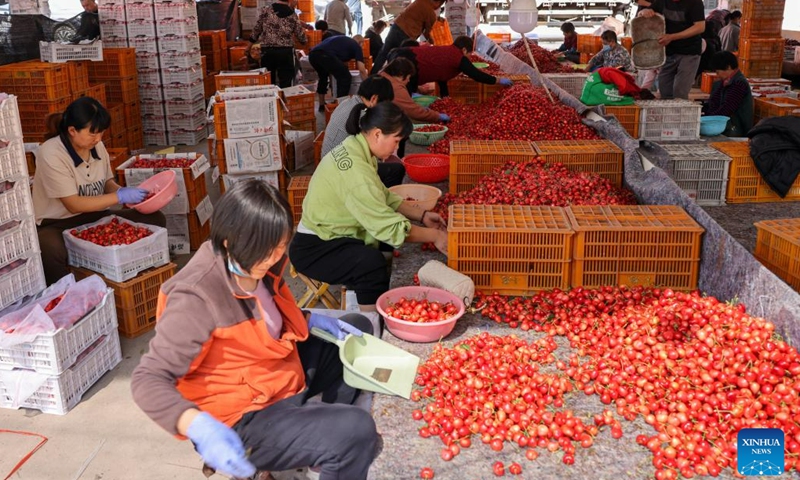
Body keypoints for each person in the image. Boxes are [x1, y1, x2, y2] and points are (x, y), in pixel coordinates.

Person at [131, 179, 379, 480]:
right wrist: (196, 425)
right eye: (268, 250)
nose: (276, 257)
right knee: (356, 431)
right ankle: (324, 444)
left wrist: (308, 319)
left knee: (356, 331)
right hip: (243, 414)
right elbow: (148, 379)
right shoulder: (196, 296)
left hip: (274, 373)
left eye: (281, 246)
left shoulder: (259, 261)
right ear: (229, 242)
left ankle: (316, 443)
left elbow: (265, 313)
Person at [289, 102, 448, 312]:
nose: (397, 149)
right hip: (315, 248)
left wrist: (423, 214)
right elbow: (389, 228)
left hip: (333, 234)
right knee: (370, 265)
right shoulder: (356, 172)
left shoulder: (357, 148)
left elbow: (382, 195)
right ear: (378, 134)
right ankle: (369, 325)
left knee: (381, 248)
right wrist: (435, 236)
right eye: (396, 141)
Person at [33, 97, 166, 286]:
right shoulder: (51, 153)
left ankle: (141, 276)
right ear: (72, 131)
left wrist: (124, 193)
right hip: (58, 224)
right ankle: (68, 296)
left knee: (155, 219)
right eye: (93, 134)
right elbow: (73, 205)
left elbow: (106, 182)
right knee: (50, 249)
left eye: (101, 133)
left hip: (97, 215)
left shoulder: (97, 146)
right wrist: (118, 196)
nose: (98, 139)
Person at [321, 75, 406, 188]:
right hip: (339, 173)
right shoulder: (363, 116)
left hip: (329, 164)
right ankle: (378, 201)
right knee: (396, 170)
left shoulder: (348, 102)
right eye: (384, 104)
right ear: (374, 99)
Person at [388, 36, 512, 96]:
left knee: (397, 90)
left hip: (402, 54)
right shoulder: (457, 57)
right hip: (407, 61)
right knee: (401, 96)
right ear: (464, 50)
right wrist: (498, 80)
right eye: (470, 53)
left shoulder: (448, 52)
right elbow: (476, 75)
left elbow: (442, 78)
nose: (469, 57)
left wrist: (445, 99)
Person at [380, 57, 447, 157]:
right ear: (401, 75)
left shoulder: (383, 75)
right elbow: (414, 112)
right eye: (408, 77)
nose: (408, 80)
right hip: (385, 126)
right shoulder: (396, 87)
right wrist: (437, 116)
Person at [639, 0, 705, 100]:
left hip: (689, 51)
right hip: (669, 52)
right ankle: (668, 114)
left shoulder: (695, 2)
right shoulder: (662, 2)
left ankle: (680, 114)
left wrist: (672, 37)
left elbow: (700, 27)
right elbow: (645, 12)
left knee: (680, 91)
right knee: (664, 89)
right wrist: (644, 12)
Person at [371, 0, 445, 74]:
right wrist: (434, 42)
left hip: (396, 27)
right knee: (400, 60)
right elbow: (427, 33)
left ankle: (372, 77)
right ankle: (393, 81)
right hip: (407, 35)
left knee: (384, 53)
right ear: (438, 3)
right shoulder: (431, 13)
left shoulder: (420, 1)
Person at [249, 0, 308, 88]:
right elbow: (301, 37)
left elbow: (257, 29)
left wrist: (249, 45)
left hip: (267, 51)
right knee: (286, 81)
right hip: (285, 52)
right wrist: (304, 40)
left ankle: (272, 100)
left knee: (268, 81)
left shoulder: (266, 10)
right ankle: (284, 99)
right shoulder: (292, 14)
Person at [703, 51, 753, 137]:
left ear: (728, 67)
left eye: (718, 72)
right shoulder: (721, 83)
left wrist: (709, 119)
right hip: (721, 124)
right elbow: (713, 102)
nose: (717, 75)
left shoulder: (739, 83)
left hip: (735, 127)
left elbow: (727, 109)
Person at [309, 34, 368, 104]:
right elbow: (362, 70)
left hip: (313, 55)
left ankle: (322, 104)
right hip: (326, 55)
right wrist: (368, 84)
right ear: (361, 43)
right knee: (345, 77)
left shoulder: (343, 41)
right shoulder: (356, 46)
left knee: (323, 77)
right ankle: (340, 105)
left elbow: (342, 65)